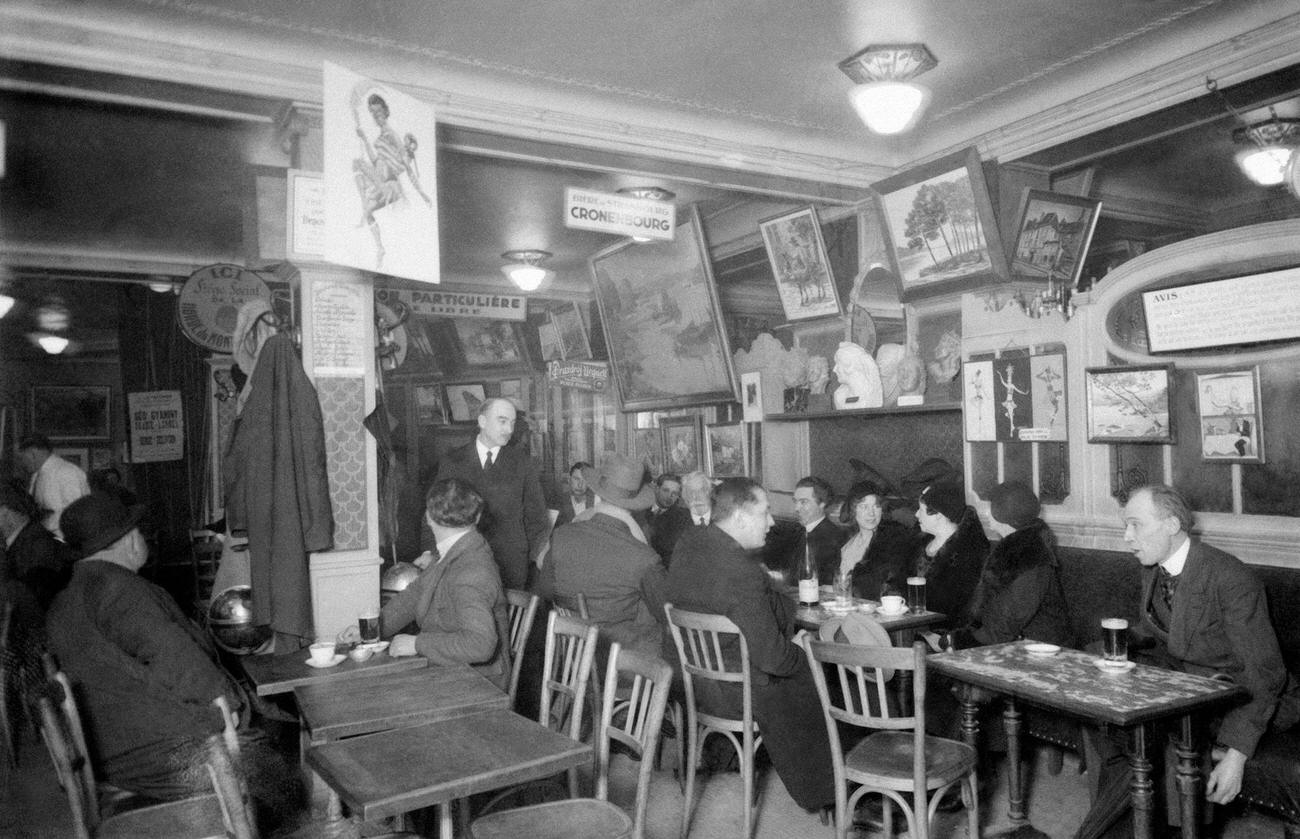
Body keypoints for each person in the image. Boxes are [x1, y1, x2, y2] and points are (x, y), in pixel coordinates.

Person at [1074, 485, 1300, 839]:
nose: (1126, 537)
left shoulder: (1230, 578)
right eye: (1125, 526)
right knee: (1104, 715)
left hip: (1245, 697)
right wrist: (1110, 649)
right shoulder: (1155, 567)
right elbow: (1169, 633)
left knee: (1152, 737)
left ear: (1172, 524)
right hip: (1195, 689)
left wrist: (1237, 755)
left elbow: (1264, 675)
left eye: (1135, 525)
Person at [43, 493, 248, 800]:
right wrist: (226, 707)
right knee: (273, 769)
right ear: (129, 540)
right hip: (157, 755)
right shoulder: (118, 588)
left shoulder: (64, 600)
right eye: (137, 531)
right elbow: (176, 657)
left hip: (108, 749)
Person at [664, 477, 835, 814]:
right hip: (738, 693)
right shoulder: (740, 571)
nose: (771, 522)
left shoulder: (690, 542)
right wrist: (804, 647)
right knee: (829, 673)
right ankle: (836, 790)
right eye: (765, 512)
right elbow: (774, 659)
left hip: (696, 684)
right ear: (740, 517)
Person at [370, 478, 512, 689]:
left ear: (428, 517)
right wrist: (372, 629)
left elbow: (480, 645)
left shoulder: (471, 570)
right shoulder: (454, 552)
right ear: (478, 516)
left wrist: (417, 644)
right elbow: (413, 596)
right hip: (453, 670)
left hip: (477, 683)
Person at [540, 455, 665, 659]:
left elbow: (545, 591)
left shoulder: (562, 535)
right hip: (623, 667)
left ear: (597, 495)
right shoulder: (644, 556)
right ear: (634, 505)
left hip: (571, 656)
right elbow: (665, 611)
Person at [434, 398, 548, 590]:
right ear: (482, 422)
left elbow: (536, 518)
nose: (509, 430)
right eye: (502, 421)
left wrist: (538, 554)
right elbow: (434, 511)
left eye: (512, 423)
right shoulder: (453, 462)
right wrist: (431, 552)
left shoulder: (523, 464)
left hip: (509, 567)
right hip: (462, 562)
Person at [949, 481, 1072, 650]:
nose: (987, 512)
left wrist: (955, 641)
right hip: (1011, 644)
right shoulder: (1014, 549)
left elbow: (1005, 625)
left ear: (1004, 513)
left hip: (1040, 652)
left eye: (991, 507)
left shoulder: (1032, 558)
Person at [352, 92, 432, 267]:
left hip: (389, 185)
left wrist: (423, 193)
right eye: (372, 113)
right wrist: (364, 139)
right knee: (368, 213)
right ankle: (380, 248)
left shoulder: (392, 134)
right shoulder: (381, 136)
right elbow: (375, 161)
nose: (375, 116)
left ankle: (366, 201)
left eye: (378, 112)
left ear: (385, 112)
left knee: (357, 164)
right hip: (380, 180)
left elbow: (408, 169)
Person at [914, 480, 988, 623]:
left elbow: (965, 606)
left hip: (946, 631)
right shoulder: (919, 543)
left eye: (921, 510)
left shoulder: (967, 553)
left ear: (938, 515)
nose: (916, 515)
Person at [841, 480, 920, 601]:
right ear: (853, 510)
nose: (871, 513)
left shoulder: (893, 541)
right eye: (863, 506)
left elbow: (885, 586)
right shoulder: (848, 542)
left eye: (876, 506)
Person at [16, 433, 89, 541]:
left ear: (32, 454)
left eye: (22, 458)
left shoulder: (67, 472)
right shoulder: (36, 475)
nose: (22, 463)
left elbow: (76, 514)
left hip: (63, 544)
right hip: (44, 543)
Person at [792, 476, 846, 584]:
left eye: (803, 502)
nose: (796, 508)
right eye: (795, 501)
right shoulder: (796, 532)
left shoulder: (834, 538)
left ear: (822, 504)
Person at [645, 472, 689, 564]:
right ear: (656, 489)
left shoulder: (684, 517)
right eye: (666, 490)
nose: (670, 496)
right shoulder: (641, 510)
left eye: (675, 493)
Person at [831, 341, 884, 409]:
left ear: (850, 366)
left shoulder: (872, 391)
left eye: (838, 364)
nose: (834, 369)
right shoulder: (839, 395)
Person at [554, 461, 594, 528]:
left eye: (585, 480)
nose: (580, 485)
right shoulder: (558, 502)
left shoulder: (596, 502)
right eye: (576, 479)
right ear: (569, 480)